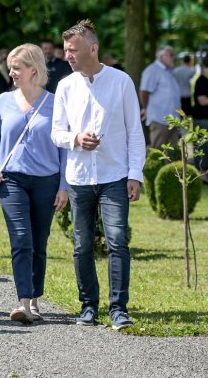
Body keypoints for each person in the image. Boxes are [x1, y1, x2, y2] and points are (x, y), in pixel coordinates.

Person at [51, 19, 145, 331]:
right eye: (66, 50)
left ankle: (119, 308)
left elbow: (135, 131)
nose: (68, 56)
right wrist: (75, 139)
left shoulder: (121, 82)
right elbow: (56, 133)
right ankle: (88, 306)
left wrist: (135, 174)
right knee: (82, 245)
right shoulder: (65, 86)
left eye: (73, 50)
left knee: (117, 241)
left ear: (93, 48)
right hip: (79, 178)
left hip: (115, 176)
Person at [0, 43, 68, 324]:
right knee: (21, 238)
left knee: (39, 241)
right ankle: (23, 303)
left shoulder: (56, 103)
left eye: (17, 68)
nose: (11, 72)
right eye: (10, 67)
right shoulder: (4, 101)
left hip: (47, 180)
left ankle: (34, 299)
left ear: (34, 70)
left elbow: (64, 148)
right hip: (12, 179)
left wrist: (64, 185)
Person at [140, 46, 181, 148]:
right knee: (158, 151)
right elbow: (144, 91)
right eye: (171, 55)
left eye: (173, 55)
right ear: (161, 56)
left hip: (173, 120)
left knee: (172, 153)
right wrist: (145, 108)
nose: (173, 57)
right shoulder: (152, 70)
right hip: (159, 119)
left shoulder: (169, 71)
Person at [193, 55, 208, 185]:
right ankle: (203, 175)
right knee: (204, 148)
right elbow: (202, 101)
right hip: (203, 120)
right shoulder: (201, 81)